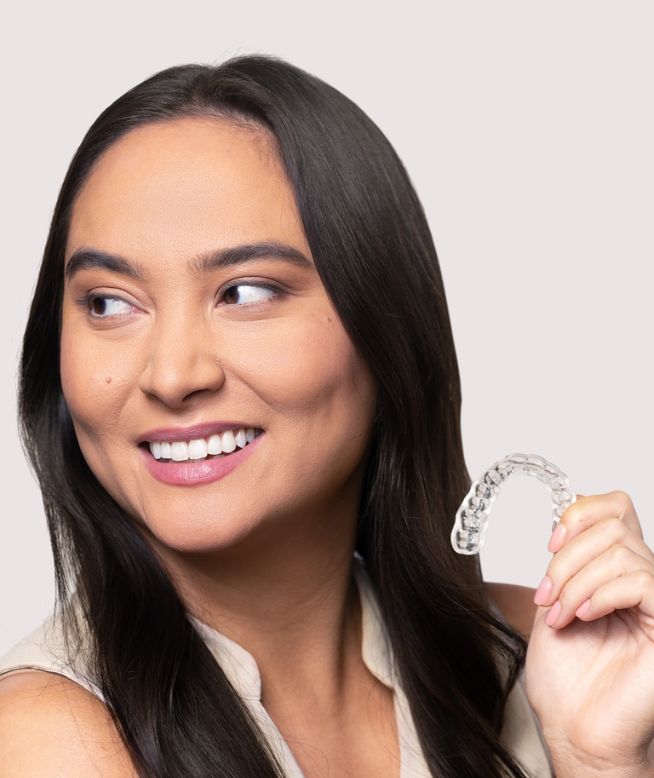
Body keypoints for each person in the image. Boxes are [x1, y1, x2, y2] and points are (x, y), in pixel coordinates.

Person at [1, 54, 653, 778]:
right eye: (108, 302)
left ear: (387, 330)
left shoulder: (548, 658)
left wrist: (599, 759)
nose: (173, 375)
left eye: (245, 292)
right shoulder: (54, 741)